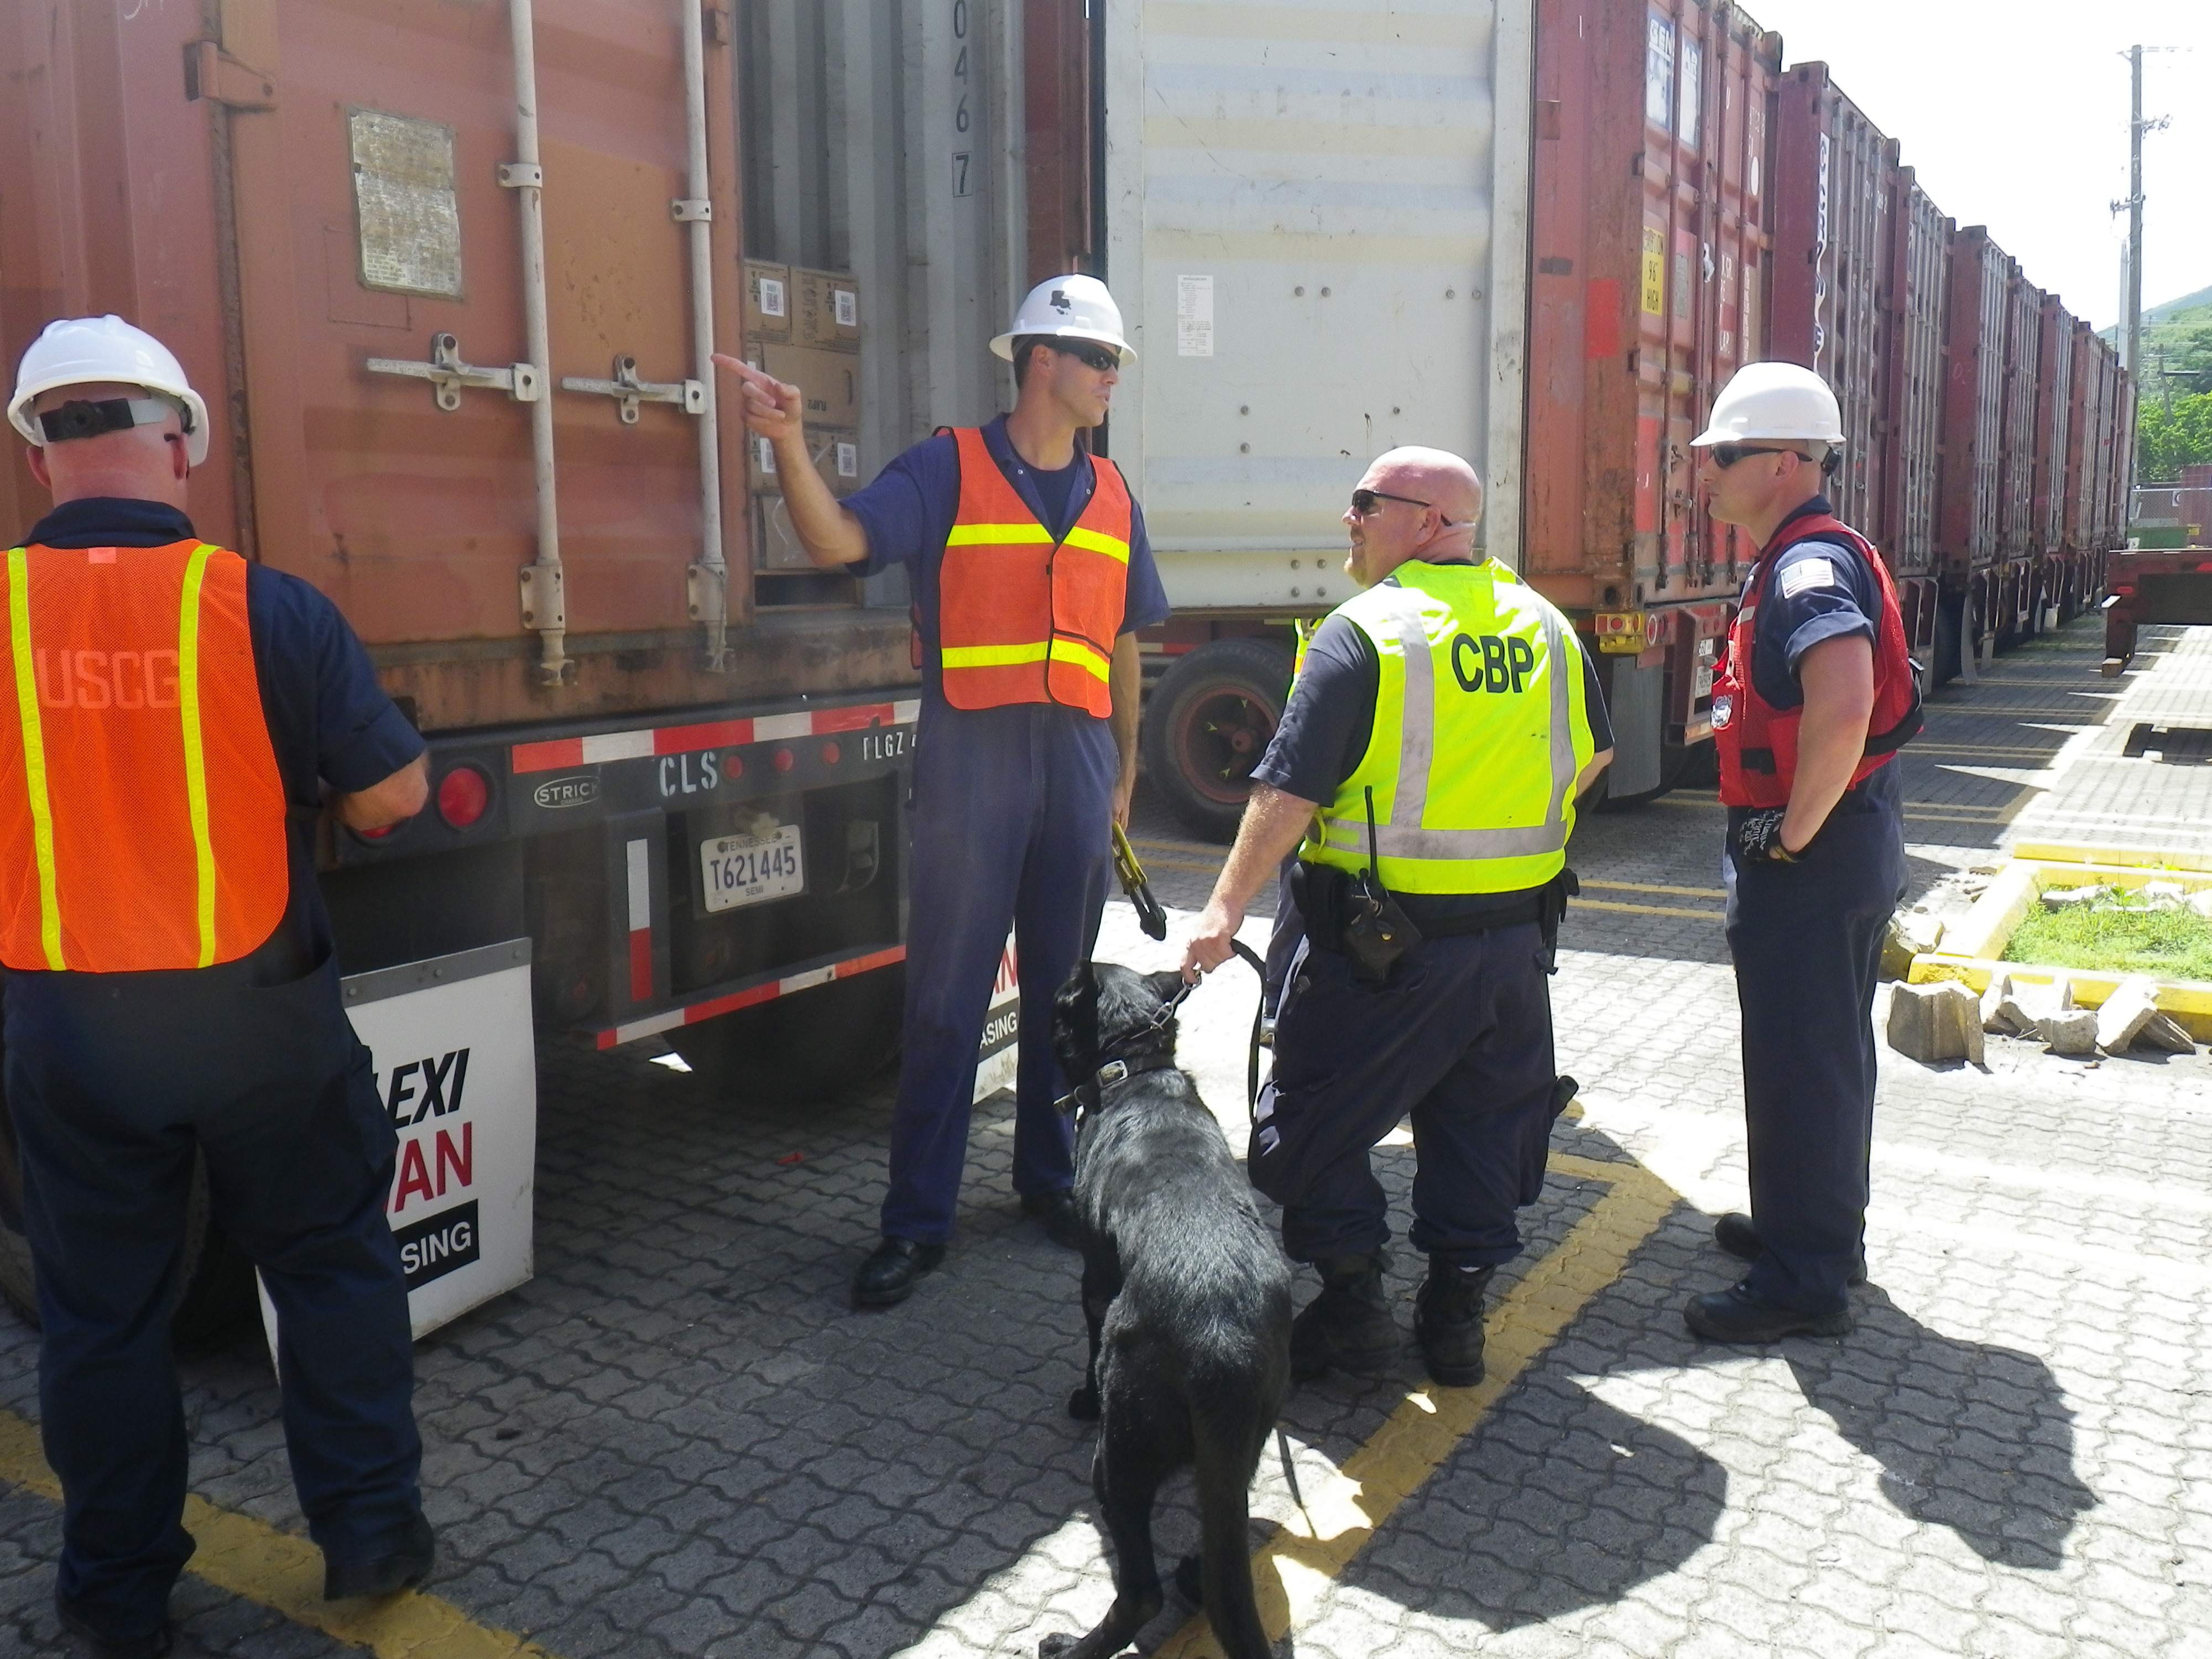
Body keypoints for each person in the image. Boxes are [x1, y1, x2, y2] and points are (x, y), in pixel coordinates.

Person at [1, 316, 434, 1659]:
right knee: (330, 1273)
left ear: (38, 459)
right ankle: (367, 1540)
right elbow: (391, 794)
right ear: (179, 439)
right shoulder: (267, 607)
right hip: (258, 1014)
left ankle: (118, 1589)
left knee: (102, 1319)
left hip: (70, 1030)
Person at [714, 275, 1170, 1309]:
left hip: (1081, 760)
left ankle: (1051, 1182)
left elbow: (1127, 637)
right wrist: (785, 442)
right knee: (946, 1004)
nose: (1111, 379)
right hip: (975, 759)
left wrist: (1127, 768)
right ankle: (916, 1224)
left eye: (1115, 363)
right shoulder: (946, 468)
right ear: (1040, 362)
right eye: (1098, 360)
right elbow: (836, 542)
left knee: (1064, 997)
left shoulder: (1114, 494)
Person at [1181, 447, 1612, 1387]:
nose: (1350, 517)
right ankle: (1456, 1322)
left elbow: (1287, 792)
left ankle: (1353, 1306)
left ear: (1424, 523)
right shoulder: (1546, 626)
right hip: (1511, 949)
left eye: (1366, 503)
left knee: (1313, 1124)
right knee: (1486, 1131)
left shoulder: (1366, 631)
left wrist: (1222, 912)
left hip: (1381, 951)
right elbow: (1591, 760)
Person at [1687, 361, 1919, 1343]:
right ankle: (1813, 1232)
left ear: (1785, 462)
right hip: (1843, 842)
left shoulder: (1806, 566)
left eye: (1726, 455)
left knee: (1801, 1061)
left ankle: (1806, 1278)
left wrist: (1792, 834)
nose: (1707, 472)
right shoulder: (1797, 552)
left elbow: (1845, 698)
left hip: (1815, 854)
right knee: (1819, 1053)